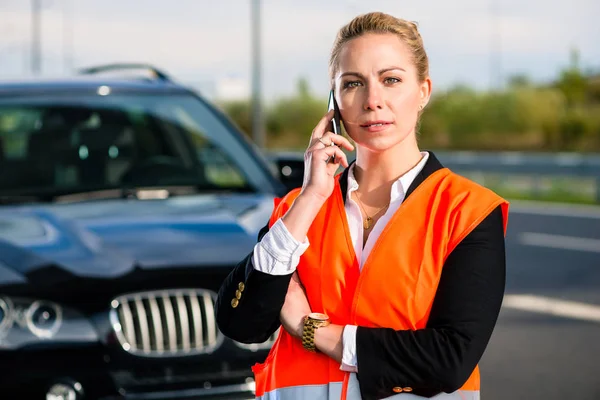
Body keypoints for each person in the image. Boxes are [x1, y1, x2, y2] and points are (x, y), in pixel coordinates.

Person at [216, 11, 508, 400]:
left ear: (423, 91)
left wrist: (311, 329)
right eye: (353, 83)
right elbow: (241, 323)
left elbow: (449, 360)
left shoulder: (467, 210)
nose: (373, 101)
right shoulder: (297, 210)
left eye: (391, 80)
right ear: (334, 101)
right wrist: (311, 197)